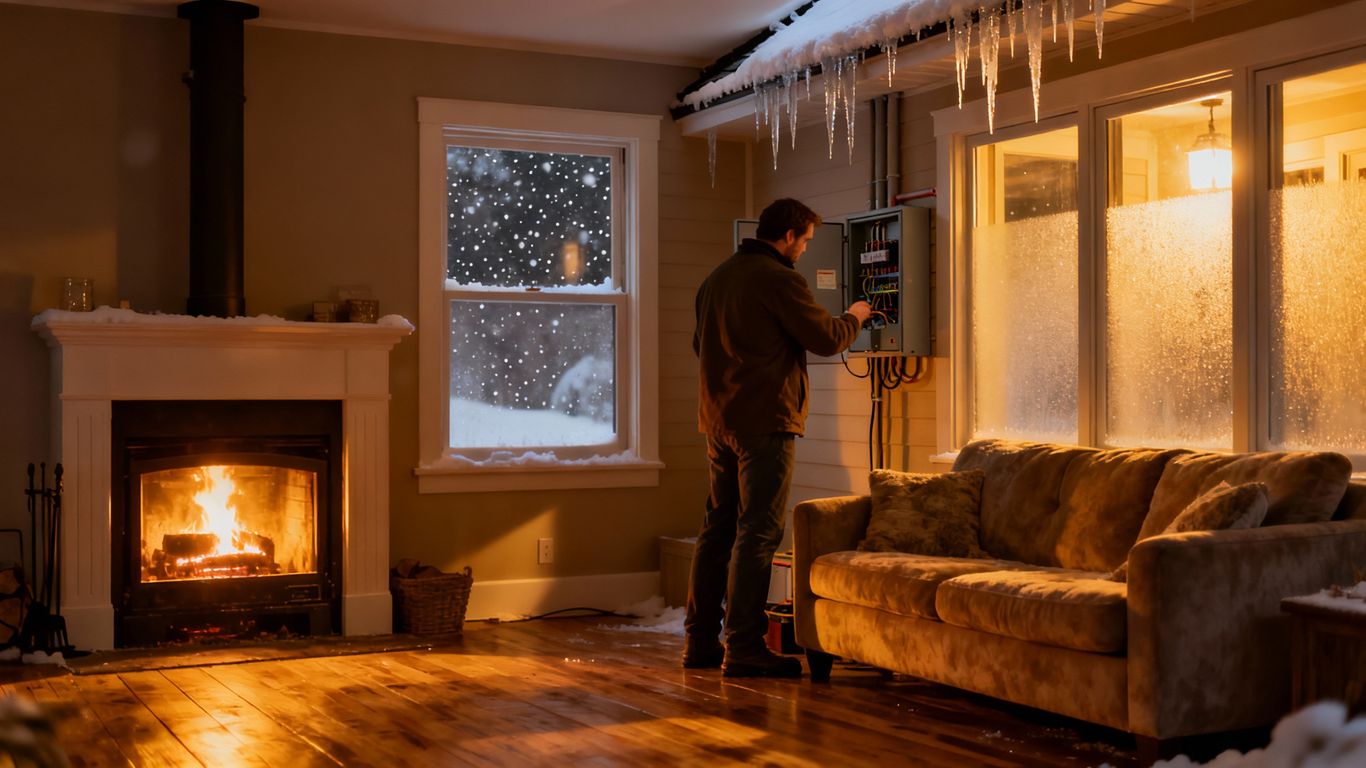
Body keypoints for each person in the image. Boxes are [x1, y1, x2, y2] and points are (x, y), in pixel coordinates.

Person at [685, 198, 872, 677]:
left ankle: (700, 642)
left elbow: (699, 344)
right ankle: (745, 647)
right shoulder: (780, 279)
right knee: (759, 532)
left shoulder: (717, 279)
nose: (806, 250)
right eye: (806, 240)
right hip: (766, 422)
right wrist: (857, 315)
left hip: (718, 421)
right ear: (788, 236)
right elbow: (827, 337)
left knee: (718, 529)